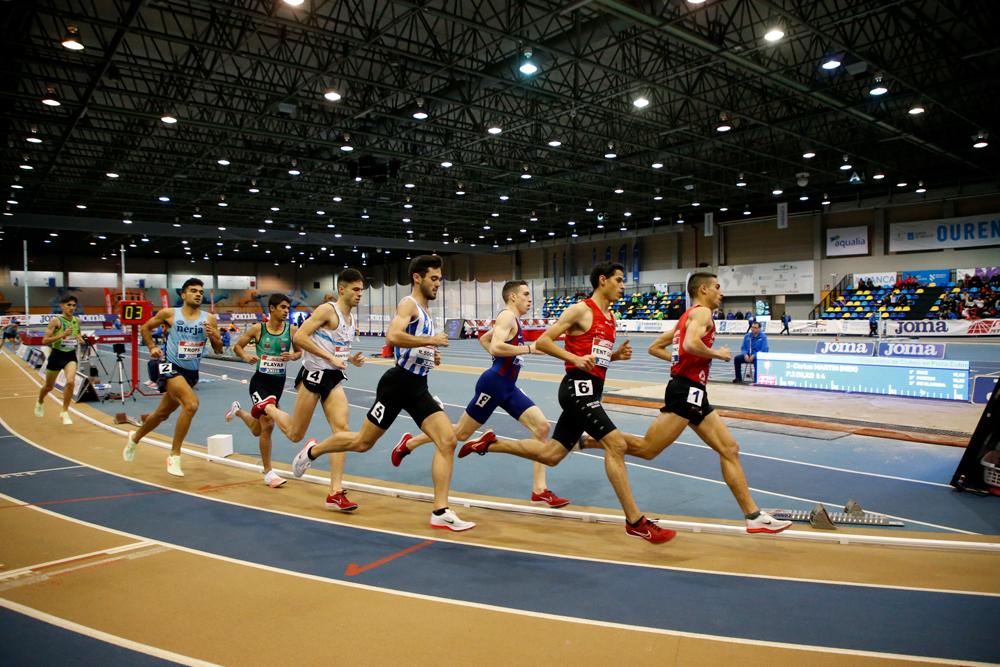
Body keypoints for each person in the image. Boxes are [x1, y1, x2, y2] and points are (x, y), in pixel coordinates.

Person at [457, 262, 676, 544]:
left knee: (551, 456)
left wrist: (616, 356)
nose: (624, 286)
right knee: (616, 444)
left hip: (592, 390)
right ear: (602, 280)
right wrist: (573, 360)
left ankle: (491, 443)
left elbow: (594, 358)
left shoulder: (610, 317)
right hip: (576, 389)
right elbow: (546, 342)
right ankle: (635, 521)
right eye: (619, 280)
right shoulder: (581, 310)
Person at [289, 256, 474, 530]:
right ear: (417, 278)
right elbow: (393, 336)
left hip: (417, 386)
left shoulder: (424, 309)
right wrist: (431, 340)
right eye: (433, 279)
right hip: (397, 385)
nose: (438, 284)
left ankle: (440, 511)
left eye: (439, 279)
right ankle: (313, 451)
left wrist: (429, 355)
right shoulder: (407, 304)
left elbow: (411, 346)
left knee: (447, 441)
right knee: (363, 443)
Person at [597, 272, 792, 535]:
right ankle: (592, 439)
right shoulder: (701, 314)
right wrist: (717, 354)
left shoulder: (685, 318)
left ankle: (753, 516)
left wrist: (681, 364)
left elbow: (655, 347)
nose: (721, 293)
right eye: (717, 287)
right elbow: (690, 343)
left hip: (693, 391)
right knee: (647, 449)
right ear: (703, 289)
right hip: (686, 391)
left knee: (730, 448)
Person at [391, 279, 570, 508]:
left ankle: (540, 489)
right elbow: (495, 346)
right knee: (459, 433)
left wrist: (502, 358)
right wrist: (528, 349)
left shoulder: (512, 320)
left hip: (507, 387)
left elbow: (485, 339)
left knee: (542, 427)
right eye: (525, 294)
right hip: (493, 385)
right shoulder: (506, 316)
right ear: (512, 297)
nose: (529, 298)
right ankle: (408, 444)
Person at [254, 269, 367, 510]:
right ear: (342, 289)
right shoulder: (327, 310)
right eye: (356, 289)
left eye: (362, 290)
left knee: (342, 431)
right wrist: (329, 357)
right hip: (313, 377)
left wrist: (350, 359)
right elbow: (301, 338)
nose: (360, 294)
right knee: (295, 433)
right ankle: (269, 407)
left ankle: (335, 492)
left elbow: (337, 348)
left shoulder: (351, 318)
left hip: (333, 378)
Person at [122, 278, 223, 477]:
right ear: (183, 295)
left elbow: (219, 350)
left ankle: (135, 438)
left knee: (161, 414)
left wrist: (213, 336)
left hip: (191, 373)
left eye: (200, 292)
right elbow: (145, 328)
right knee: (191, 404)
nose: (198, 294)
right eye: (193, 290)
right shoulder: (169, 314)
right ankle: (174, 455)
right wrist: (152, 347)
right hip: (169, 366)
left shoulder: (209, 319)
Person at [226, 293, 302, 488]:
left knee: (258, 429)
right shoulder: (257, 329)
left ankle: (239, 411)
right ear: (272, 309)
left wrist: (293, 356)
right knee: (268, 424)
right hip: (260, 382)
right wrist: (245, 356)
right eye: (283, 307)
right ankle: (268, 472)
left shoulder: (291, 330)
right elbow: (238, 346)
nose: (286, 311)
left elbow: (300, 351)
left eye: (288, 308)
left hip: (278, 384)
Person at [35, 296, 85, 425]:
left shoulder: (77, 320)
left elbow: (77, 332)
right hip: (56, 356)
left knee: (70, 382)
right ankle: (40, 401)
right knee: (48, 387)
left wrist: (79, 338)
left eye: (74, 305)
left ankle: (64, 411)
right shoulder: (56, 321)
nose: (72, 308)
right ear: (62, 306)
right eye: (69, 305)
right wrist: (62, 335)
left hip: (70, 356)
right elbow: (44, 341)